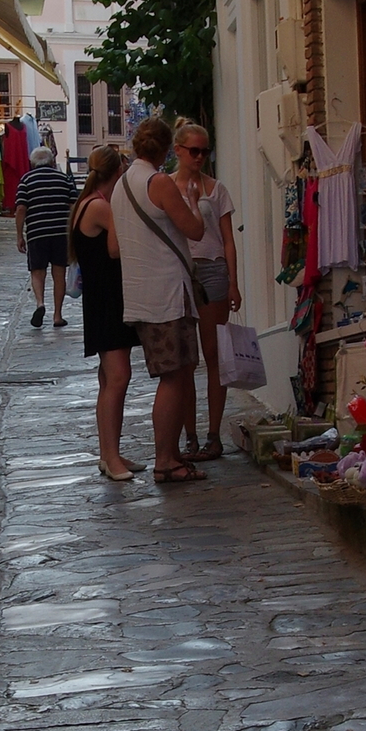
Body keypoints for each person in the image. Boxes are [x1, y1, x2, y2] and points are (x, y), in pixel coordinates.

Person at [116, 113, 205, 482]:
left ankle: (168, 456)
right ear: (168, 149)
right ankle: (165, 458)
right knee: (173, 377)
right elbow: (195, 230)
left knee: (175, 374)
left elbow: (115, 243)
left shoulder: (122, 184)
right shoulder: (159, 183)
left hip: (139, 293)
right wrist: (194, 199)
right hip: (168, 293)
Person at [173, 119, 240, 463]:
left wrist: (233, 281)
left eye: (205, 150)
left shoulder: (217, 189)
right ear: (179, 151)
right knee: (186, 360)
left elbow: (228, 238)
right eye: (193, 150)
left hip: (212, 270)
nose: (200, 157)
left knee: (214, 356)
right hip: (181, 272)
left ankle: (213, 434)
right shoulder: (166, 187)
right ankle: (190, 437)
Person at [72, 145, 137, 481]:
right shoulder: (100, 206)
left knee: (109, 378)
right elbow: (116, 247)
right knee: (118, 377)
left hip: (103, 299)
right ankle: (111, 457)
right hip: (107, 301)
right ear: (117, 172)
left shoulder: (88, 203)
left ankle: (110, 451)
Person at [15, 134, 78, 328]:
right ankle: (57, 315)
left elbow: (20, 209)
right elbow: (73, 206)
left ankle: (40, 303)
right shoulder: (64, 179)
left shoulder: (26, 180)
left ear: (32, 163)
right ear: (52, 161)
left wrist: (19, 235)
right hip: (60, 233)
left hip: (37, 233)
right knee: (59, 274)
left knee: (37, 271)